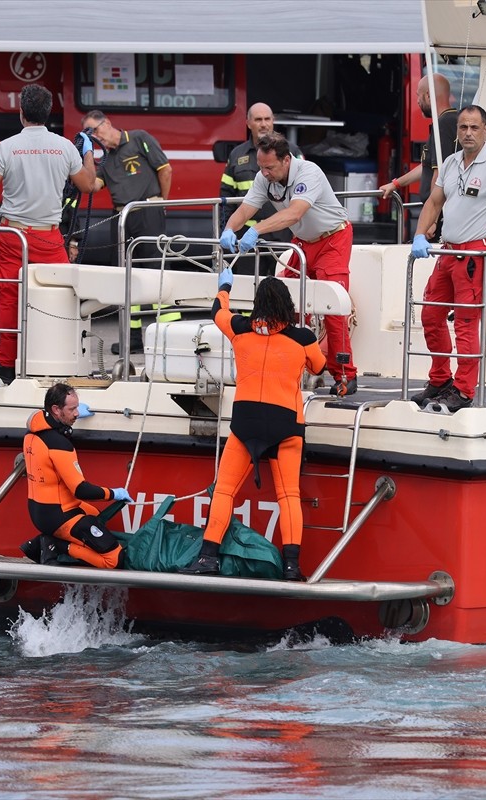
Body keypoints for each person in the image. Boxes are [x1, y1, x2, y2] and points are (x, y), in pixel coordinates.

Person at [179, 273, 326, 580]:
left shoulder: (239, 328)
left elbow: (216, 312)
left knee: (224, 491)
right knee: (289, 496)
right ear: (287, 305)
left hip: (245, 423)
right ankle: (291, 566)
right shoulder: (303, 338)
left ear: (258, 303)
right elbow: (319, 366)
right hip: (286, 424)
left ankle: (208, 558)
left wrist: (225, 287)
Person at [0, 84, 97, 383]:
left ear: (21, 113)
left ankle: (6, 364)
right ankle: (60, 357)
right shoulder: (64, 147)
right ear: (47, 114)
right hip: (50, 237)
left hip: (13, 237)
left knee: (10, 296)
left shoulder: (7, 147)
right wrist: (89, 155)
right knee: (59, 294)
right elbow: (87, 185)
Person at [219, 132, 358, 397]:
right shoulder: (264, 177)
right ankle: (294, 365)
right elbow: (246, 209)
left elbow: (294, 212)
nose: (264, 173)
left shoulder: (309, 173)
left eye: (269, 167)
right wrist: (229, 230)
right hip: (303, 241)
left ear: (286, 160)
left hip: (333, 239)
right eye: (261, 167)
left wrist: (256, 231)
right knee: (288, 304)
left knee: (334, 309)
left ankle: (345, 376)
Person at [410, 105, 486, 412]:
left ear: (485, 130)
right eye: (463, 127)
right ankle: (439, 380)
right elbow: (435, 202)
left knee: (465, 323)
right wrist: (420, 234)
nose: (468, 133)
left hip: (478, 254)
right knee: (430, 316)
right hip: (449, 251)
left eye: (475, 127)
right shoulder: (449, 163)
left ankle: (462, 391)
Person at [81, 110, 177, 355]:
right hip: (122, 218)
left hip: (148, 211)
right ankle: (132, 337)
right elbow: (92, 186)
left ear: (108, 123)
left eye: (94, 130)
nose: (95, 136)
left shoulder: (138, 138)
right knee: (127, 278)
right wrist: (87, 154)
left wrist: (160, 204)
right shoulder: (106, 161)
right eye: (89, 134)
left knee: (157, 272)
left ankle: (171, 335)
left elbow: (165, 170)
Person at [20, 382, 132, 569]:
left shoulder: (32, 433)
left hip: (40, 510)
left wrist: (68, 418)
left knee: (95, 515)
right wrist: (113, 493)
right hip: (59, 517)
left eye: (77, 407)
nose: (77, 414)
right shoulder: (60, 445)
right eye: (72, 409)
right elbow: (81, 490)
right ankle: (58, 545)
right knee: (114, 559)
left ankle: (54, 539)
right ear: (56, 409)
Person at [219, 102, 303, 274]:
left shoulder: (291, 152)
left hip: (282, 235)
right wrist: (226, 230)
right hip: (247, 237)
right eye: (258, 119)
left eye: (267, 119)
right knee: (248, 288)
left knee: (283, 287)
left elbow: (301, 195)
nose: (263, 124)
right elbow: (225, 196)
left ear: (273, 121)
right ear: (248, 123)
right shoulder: (237, 155)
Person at [379, 73, 457, 238]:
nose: (417, 101)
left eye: (418, 96)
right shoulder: (447, 121)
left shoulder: (443, 125)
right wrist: (395, 184)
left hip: (440, 215)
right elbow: (427, 166)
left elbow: (438, 174)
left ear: (428, 95)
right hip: (439, 211)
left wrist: (432, 219)